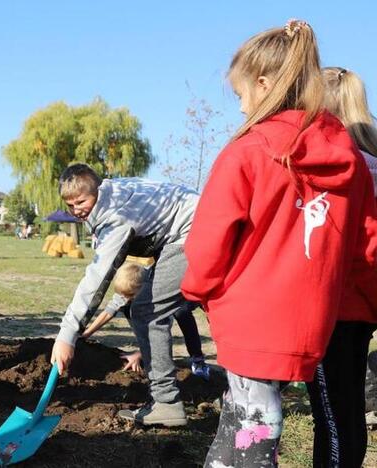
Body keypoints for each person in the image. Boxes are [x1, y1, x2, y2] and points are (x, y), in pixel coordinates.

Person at [181, 20, 377, 467]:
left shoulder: (246, 152)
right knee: (241, 428)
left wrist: (197, 291)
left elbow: (209, 242)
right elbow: (368, 247)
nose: (240, 107)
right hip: (310, 325)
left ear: (265, 84)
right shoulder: (353, 163)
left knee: (252, 436)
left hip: (250, 322)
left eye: (241, 94)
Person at [50, 163, 199, 427]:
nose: (76, 210)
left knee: (147, 311)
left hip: (195, 231)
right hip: (189, 227)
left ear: (95, 190)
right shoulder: (111, 190)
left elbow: (96, 280)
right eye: (70, 205)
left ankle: (166, 403)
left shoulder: (117, 216)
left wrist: (67, 334)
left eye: (81, 202)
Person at [302, 66, 377, 468]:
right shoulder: (372, 160)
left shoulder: (336, 166)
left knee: (328, 416)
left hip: (332, 304)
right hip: (364, 305)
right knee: (348, 411)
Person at [81, 262, 211, 380]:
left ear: (143, 288)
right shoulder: (130, 285)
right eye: (124, 295)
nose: (126, 298)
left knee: (182, 313)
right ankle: (146, 348)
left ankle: (198, 360)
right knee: (128, 308)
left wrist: (140, 353)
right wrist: (86, 334)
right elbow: (108, 312)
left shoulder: (157, 290)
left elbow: (162, 330)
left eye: (130, 296)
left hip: (188, 290)